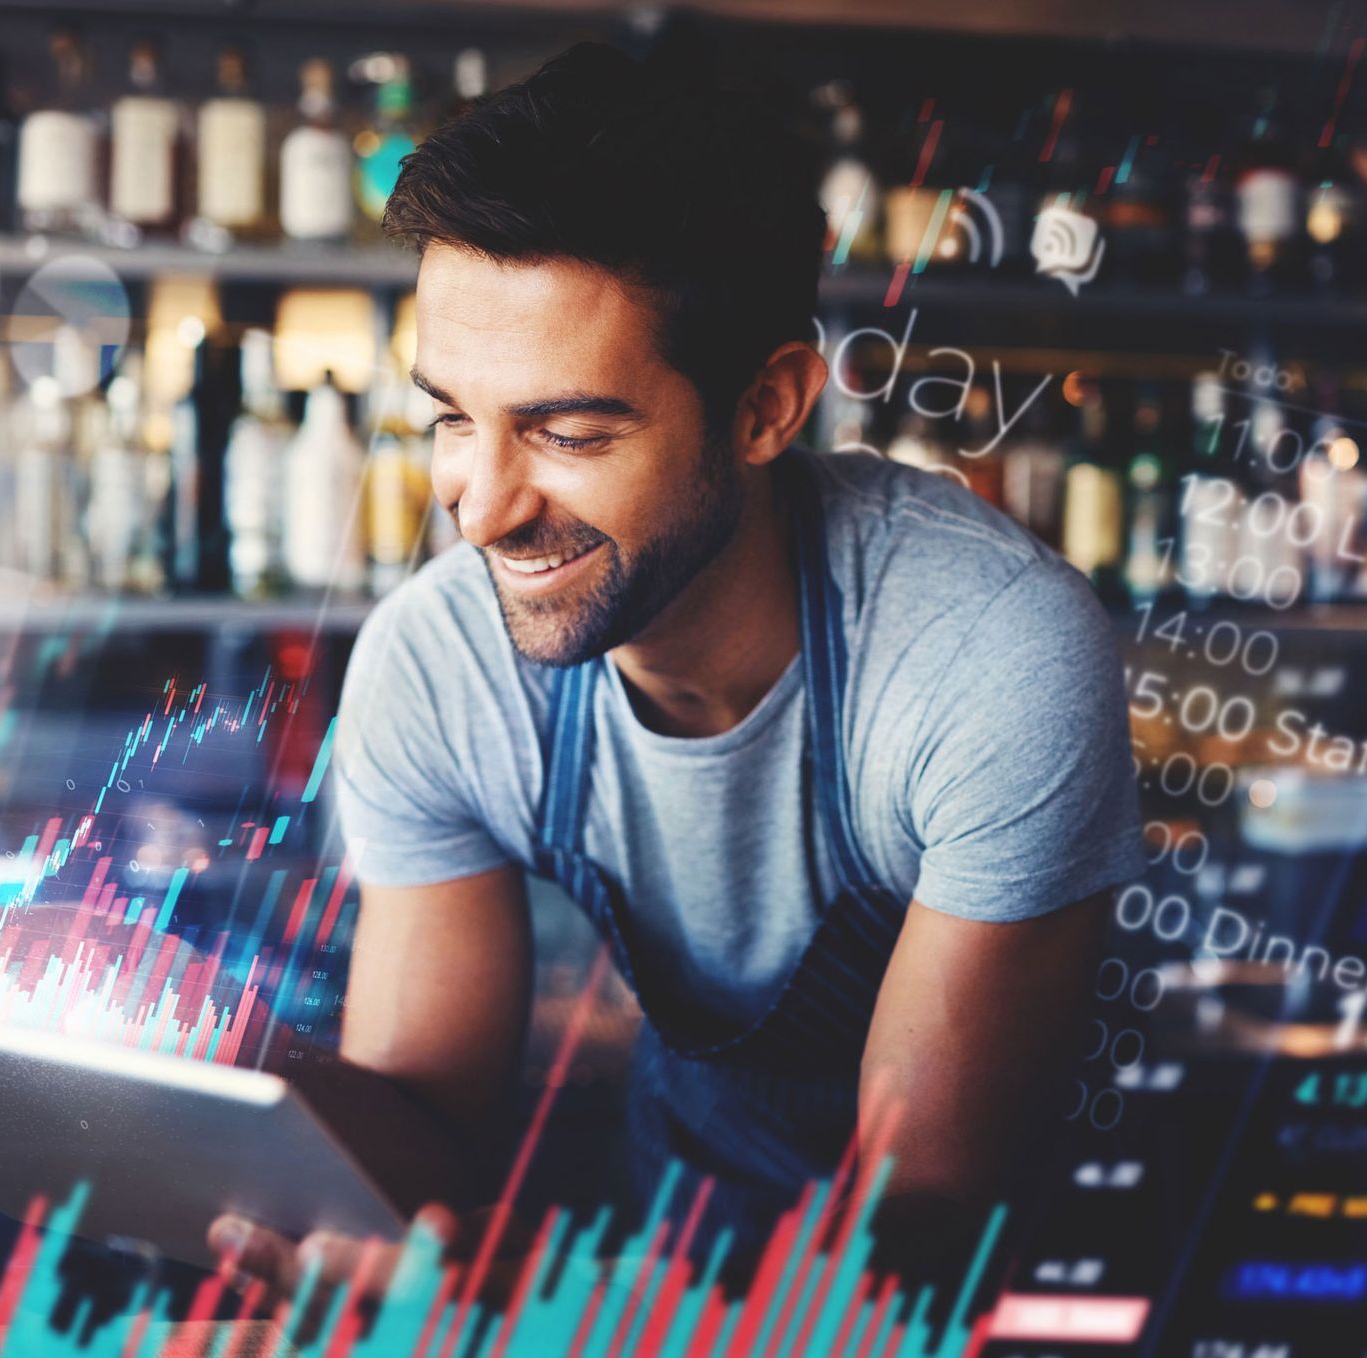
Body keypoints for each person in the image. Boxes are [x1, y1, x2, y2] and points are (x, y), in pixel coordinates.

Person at [210, 40, 1142, 1292]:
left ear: (766, 407)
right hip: (659, 1247)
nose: (479, 507)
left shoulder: (987, 660)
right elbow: (415, 1126)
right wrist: (270, 1161)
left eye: (570, 430)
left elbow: (917, 1222)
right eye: (449, 416)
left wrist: (524, 1298)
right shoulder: (438, 664)